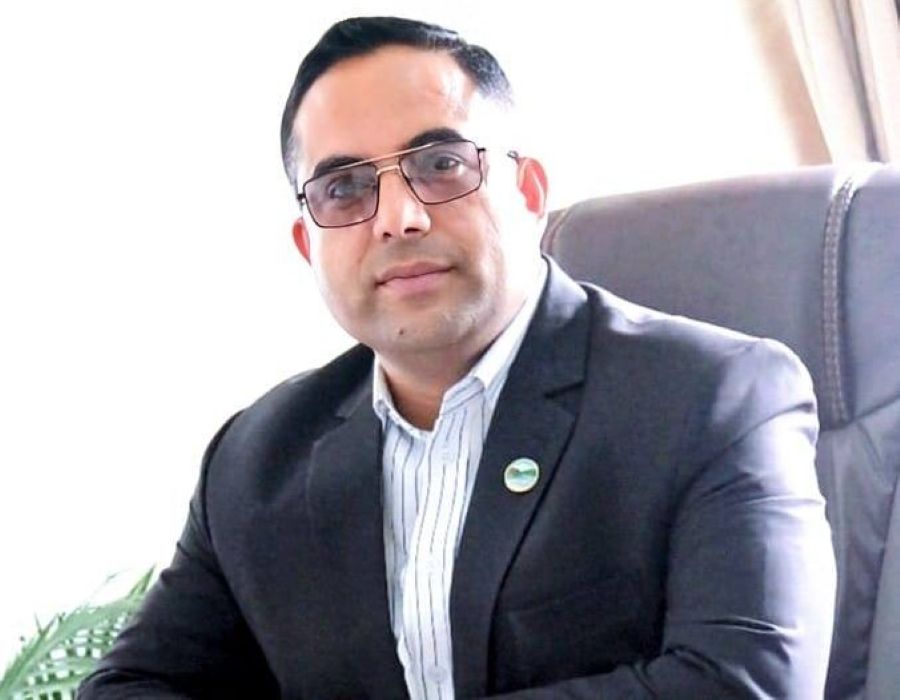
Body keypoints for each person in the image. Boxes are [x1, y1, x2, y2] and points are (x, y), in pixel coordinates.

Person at [79, 16, 836, 699]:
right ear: (309, 245)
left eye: (440, 164)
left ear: (529, 191)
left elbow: (746, 683)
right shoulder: (255, 460)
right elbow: (132, 687)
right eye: (344, 189)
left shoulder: (712, 397)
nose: (398, 218)